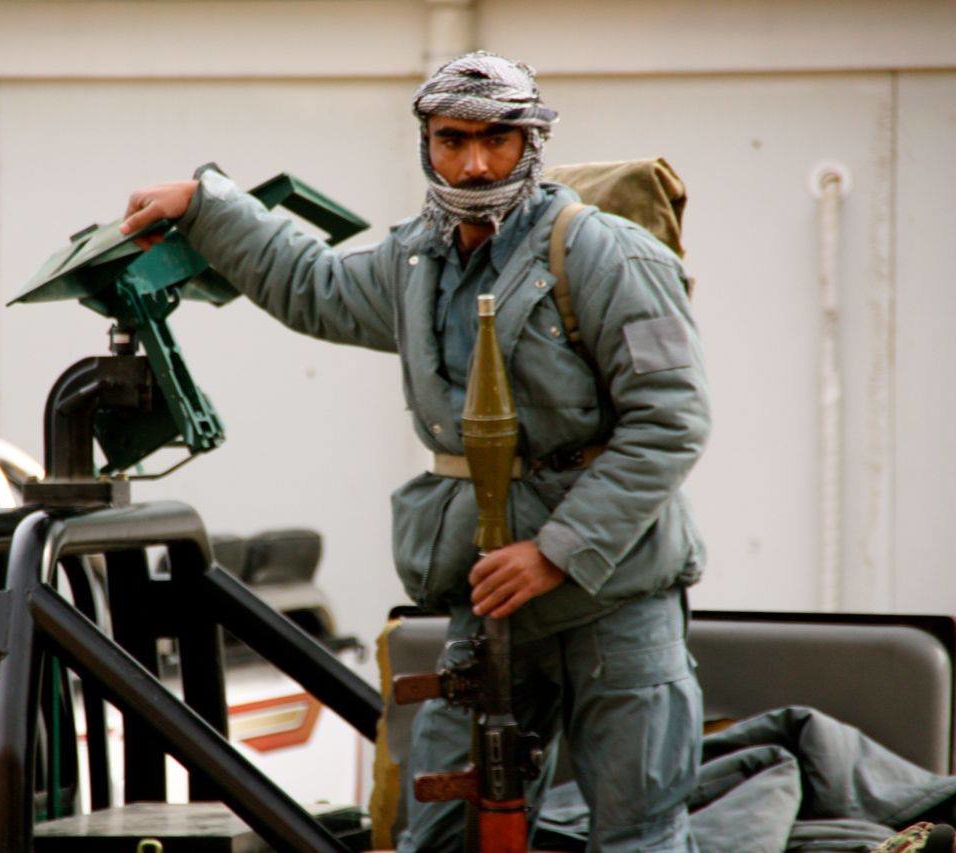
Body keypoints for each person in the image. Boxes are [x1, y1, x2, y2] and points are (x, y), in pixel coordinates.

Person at [120, 51, 710, 852]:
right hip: (490, 591)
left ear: (532, 142)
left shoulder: (608, 256)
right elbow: (314, 287)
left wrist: (559, 553)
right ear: (426, 143)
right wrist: (205, 205)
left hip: (615, 596)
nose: (474, 162)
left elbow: (670, 421)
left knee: (638, 832)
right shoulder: (417, 261)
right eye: (453, 138)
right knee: (440, 829)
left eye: (498, 139)